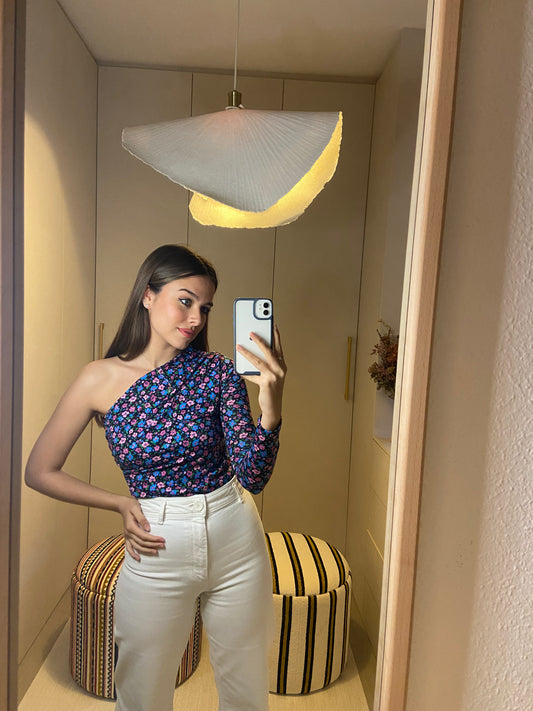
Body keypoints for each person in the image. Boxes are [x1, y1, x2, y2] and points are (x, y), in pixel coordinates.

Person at [25, 244, 286, 711]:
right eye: (185, 301)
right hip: (157, 541)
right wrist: (119, 502)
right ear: (148, 295)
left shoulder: (217, 371)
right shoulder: (98, 378)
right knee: (142, 692)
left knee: (247, 689)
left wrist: (271, 406)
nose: (196, 318)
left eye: (205, 307)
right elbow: (40, 470)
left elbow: (253, 473)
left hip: (235, 534)